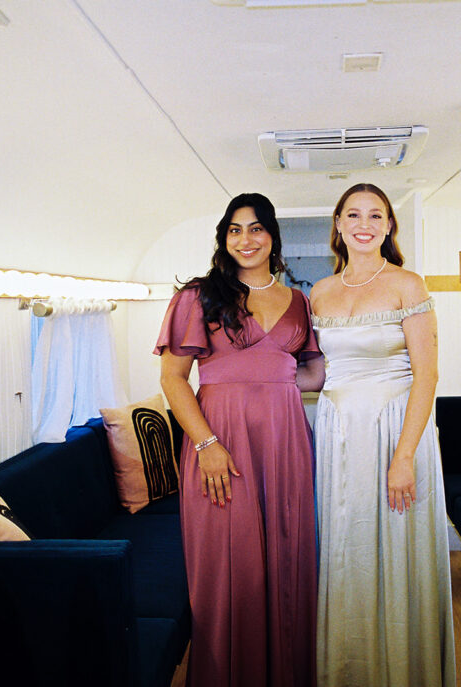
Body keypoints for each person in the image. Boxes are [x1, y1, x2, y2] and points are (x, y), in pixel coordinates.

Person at [154, 192, 325, 687]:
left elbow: (312, 368)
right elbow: (173, 380)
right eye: (234, 229)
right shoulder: (199, 295)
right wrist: (207, 445)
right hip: (220, 444)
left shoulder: (299, 300)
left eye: (255, 228)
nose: (245, 239)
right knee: (229, 573)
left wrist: (281, 382)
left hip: (286, 441)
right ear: (223, 238)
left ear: (273, 236)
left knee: (288, 560)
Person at [308, 183, 456, 687]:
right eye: (353, 214)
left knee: (394, 547)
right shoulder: (320, 292)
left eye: (376, 215)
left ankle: (401, 671)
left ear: (390, 225)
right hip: (337, 433)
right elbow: (319, 372)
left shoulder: (407, 284)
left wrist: (404, 456)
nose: (364, 224)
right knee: (345, 549)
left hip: (395, 428)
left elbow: (427, 375)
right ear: (339, 224)